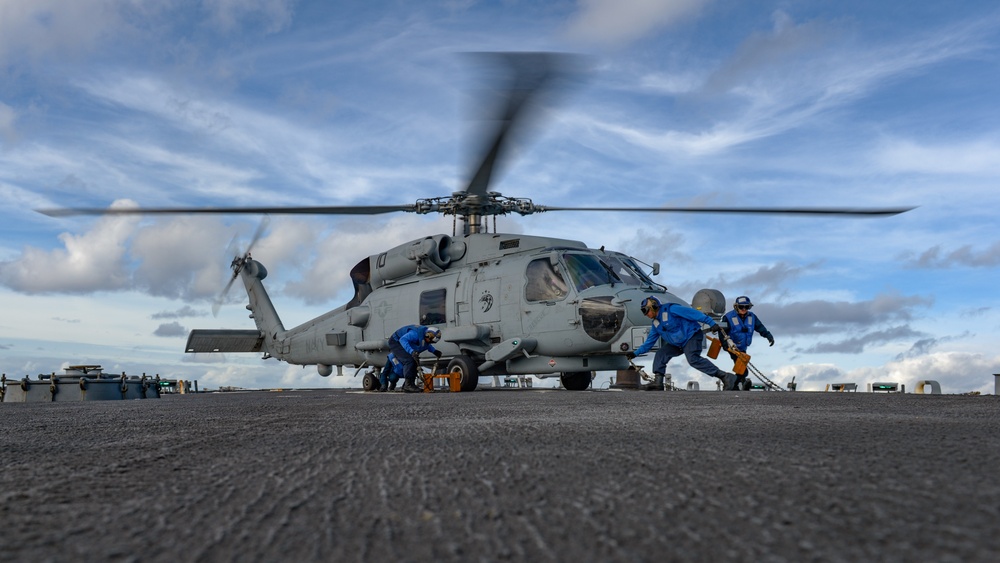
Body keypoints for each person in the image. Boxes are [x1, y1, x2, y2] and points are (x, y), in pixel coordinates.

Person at [626, 296, 738, 391]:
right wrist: (635, 354)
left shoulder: (672, 309)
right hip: (678, 344)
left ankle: (725, 377)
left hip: (692, 336)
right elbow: (649, 342)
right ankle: (658, 382)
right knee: (661, 353)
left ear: (654, 307)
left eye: (646, 310)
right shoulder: (656, 323)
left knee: (693, 359)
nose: (645, 314)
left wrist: (711, 323)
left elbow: (694, 314)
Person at [720, 295, 774, 391]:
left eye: (747, 307)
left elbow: (760, 327)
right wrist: (725, 344)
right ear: (736, 307)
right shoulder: (728, 317)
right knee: (740, 364)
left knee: (740, 366)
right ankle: (740, 382)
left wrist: (769, 336)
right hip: (732, 346)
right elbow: (722, 332)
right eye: (741, 307)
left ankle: (735, 385)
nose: (744, 309)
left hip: (743, 346)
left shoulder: (752, 317)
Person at [380, 325, 442, 393]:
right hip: (396, 342)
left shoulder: (426, 337)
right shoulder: (415, 334)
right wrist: (411, 352)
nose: (429, 342)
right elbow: (403, 340)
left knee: (414, 361)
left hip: (403, 341)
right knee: (409, 360)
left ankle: (409, 384)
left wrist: (434, 351)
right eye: (430, 341)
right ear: (427, 335)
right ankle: (408, 385)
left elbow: (425, 344)